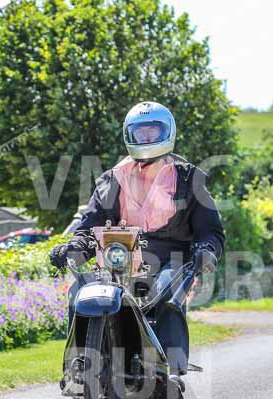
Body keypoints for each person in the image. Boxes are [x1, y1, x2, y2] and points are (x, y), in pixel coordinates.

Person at [49, 101, 225, 376]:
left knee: (167, 295)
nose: (145, 138)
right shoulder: (113, 179)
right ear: (129, 134)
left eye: (152, 132)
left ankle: (168, 371)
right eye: (139, 132)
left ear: (167, 133)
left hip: (171, 258)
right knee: (79, 293)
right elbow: (90, 222)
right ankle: (81, 363)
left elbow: (210, 230)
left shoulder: (189, 179)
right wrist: (74, 246)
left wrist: (207, 250)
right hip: (117, 256)